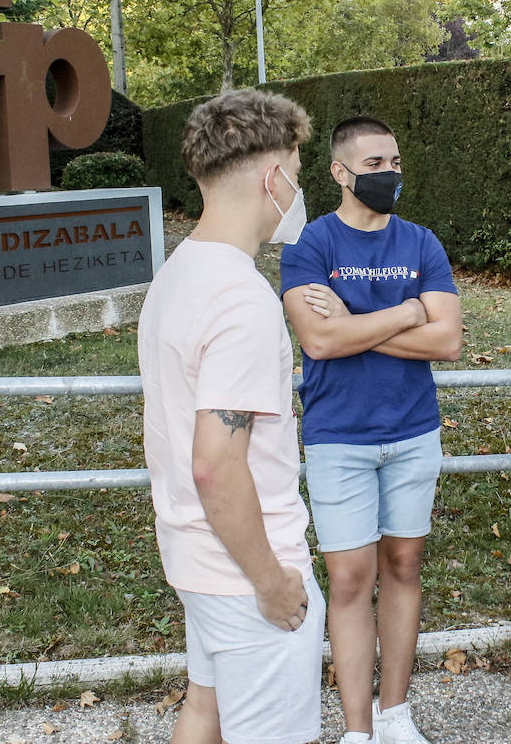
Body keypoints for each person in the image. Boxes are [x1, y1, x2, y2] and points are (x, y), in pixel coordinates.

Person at [137, 88, 325, 744]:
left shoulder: (177, 273)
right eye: (298, 177)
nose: (298, 195)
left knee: (205, 711)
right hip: (247, 573)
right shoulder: (240, 299)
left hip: (196, 559)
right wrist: (272, 581)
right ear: (272, 178)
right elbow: (217, 464)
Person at [280, 116, 462, 744]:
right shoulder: (310, 246)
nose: (389, 174)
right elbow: (320, 340)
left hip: (413, 435)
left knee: (405, 568)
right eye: (375, 164)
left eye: (394, 162)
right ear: (340, 172)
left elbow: (449, 340)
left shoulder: (421, 243)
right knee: (352, 581)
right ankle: (358, 731)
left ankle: (395, 715)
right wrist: (407, 311)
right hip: (340, 439)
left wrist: (358, 317)